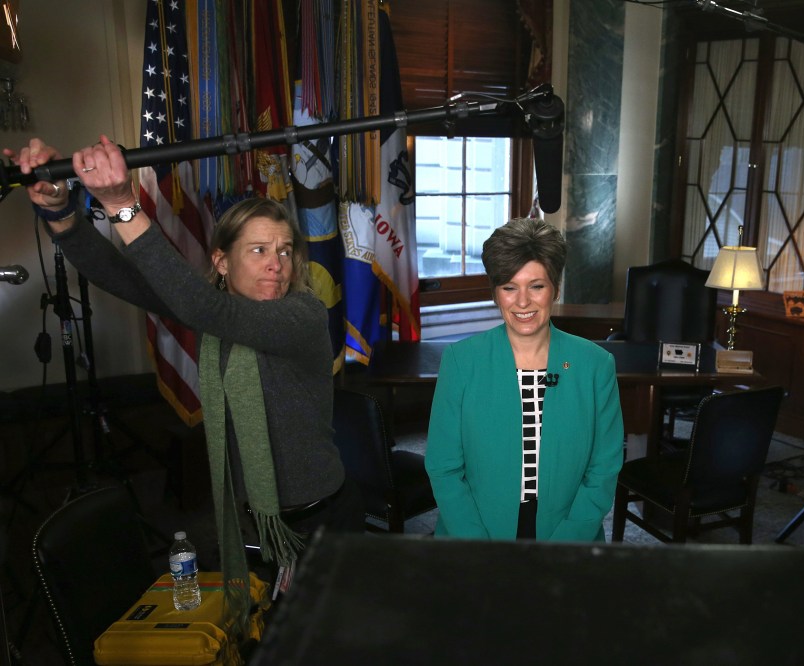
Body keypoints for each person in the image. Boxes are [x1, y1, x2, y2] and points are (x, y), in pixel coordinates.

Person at [5, 137, 364, 615]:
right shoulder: (218, 314)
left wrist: (122, 205)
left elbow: (203, 307)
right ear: (222, 261)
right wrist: (62, 211)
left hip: (321, 520)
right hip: (254, 523)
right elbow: (120, 275)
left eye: (284, 251)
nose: (276, 264)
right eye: (258, 249)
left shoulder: (301, 314)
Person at [424, 217, 624, 541]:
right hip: (474, 535)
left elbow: (604, 469)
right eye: (509, 287)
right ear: (495, 293)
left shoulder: (595, 366)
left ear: (555, 289)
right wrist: (477, 546)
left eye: (536, 286)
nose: (522, 302)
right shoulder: (461, 361)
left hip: (569, 534)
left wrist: (566, 543)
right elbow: (443, 468)